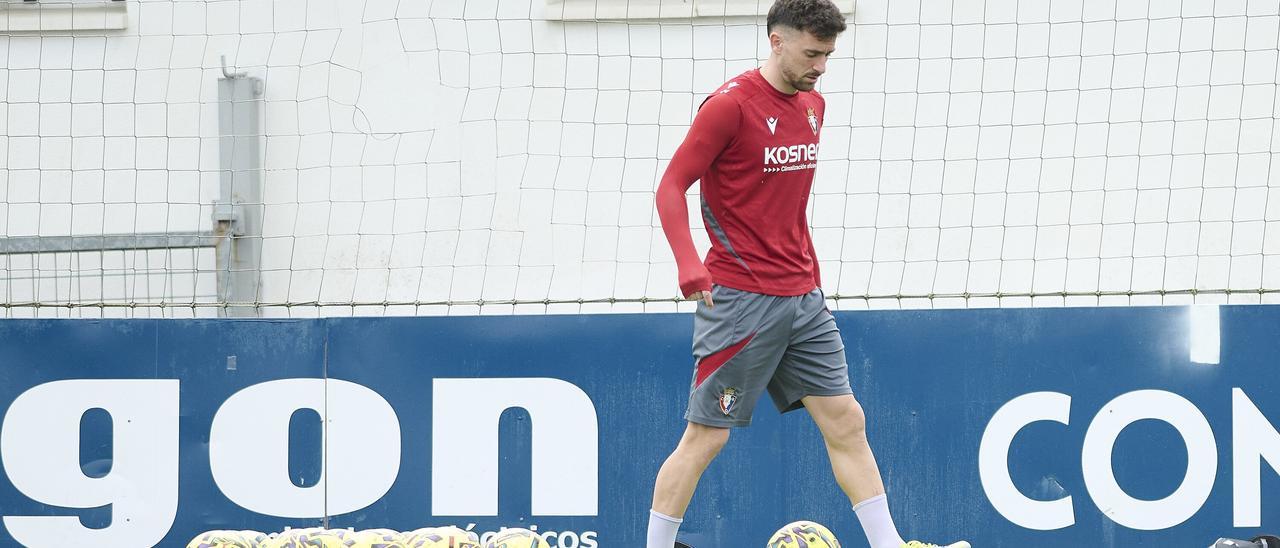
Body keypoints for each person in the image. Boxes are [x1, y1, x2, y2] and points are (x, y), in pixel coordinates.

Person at [648, 1, 970, 547]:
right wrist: (687, 262)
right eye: (812, 53)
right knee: (706, 437)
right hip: (741, 300)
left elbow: (785, 208)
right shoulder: (729, 107)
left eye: (828, 55)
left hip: (803, 298)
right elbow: (671, 186)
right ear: (777, 41)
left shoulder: (814, 105)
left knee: (846, 418)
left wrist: (810, 277)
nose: (820, 66)